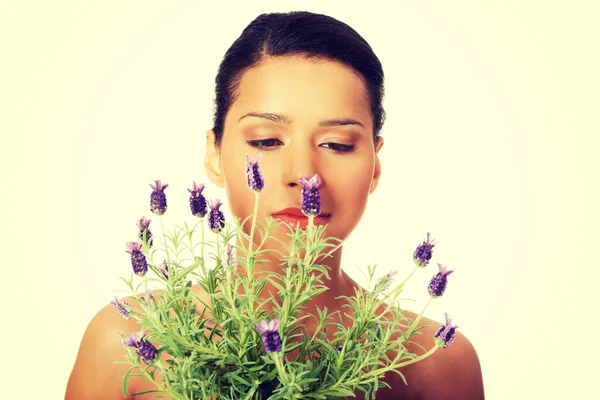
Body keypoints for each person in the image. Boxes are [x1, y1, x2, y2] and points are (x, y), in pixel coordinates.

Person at [65, 11, 484, 399]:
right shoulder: (128, 341)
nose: (305, 176)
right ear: (214, 155)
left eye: (337, 144)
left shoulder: (435, 362)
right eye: (266, 141)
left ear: (374, 166)